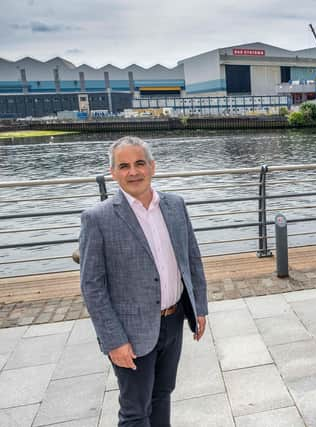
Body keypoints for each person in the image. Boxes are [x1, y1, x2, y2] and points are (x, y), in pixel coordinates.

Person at [79, 136, 208, 426]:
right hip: (130, 332)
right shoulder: (97, 219)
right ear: (113, 173)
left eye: (139, 163)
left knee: (163, 394)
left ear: (152, 167)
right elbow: (92, 287)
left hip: (173, 321)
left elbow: (192, 259)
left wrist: (199, 307)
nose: (133, 172)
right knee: (135, 411)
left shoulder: (175, 206)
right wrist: (114, 340)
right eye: (123, 166)